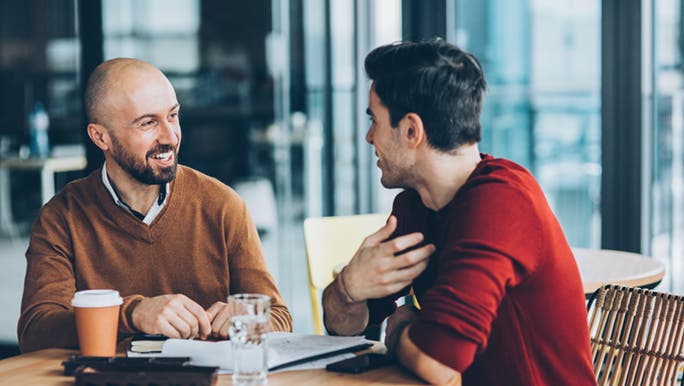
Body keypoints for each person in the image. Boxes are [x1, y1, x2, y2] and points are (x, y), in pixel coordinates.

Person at [322, 40, 596, 386]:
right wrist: (348, 288)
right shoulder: (414, 206)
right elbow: (344, 327)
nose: (368, 136)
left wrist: (401, 328)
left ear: (411, 131)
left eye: (374, 121)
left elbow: (439, 363)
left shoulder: (503, 203)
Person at [18, 58, 292, 353]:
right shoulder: (62, 217)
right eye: (148, 123)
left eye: (173, 116)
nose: (170, 136)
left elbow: (278, 318)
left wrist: (247, 318)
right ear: (101, 137)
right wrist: (132, 314)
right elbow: (37, 331)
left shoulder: (222, 205)